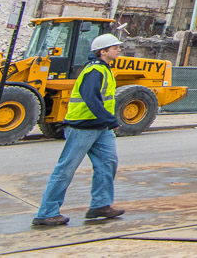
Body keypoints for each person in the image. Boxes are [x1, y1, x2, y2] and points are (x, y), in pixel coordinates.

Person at [32, 33, 126, 227]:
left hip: (100, 127)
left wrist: (107, 122)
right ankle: (46, 213)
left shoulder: (104, 69)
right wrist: (110, 120)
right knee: (66, 168)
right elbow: (91, 98)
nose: (119, 50)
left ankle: (100, 205)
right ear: (103, 51)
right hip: (82, 126)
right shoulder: (94, 71)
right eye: (115, 47)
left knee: (107, 163)